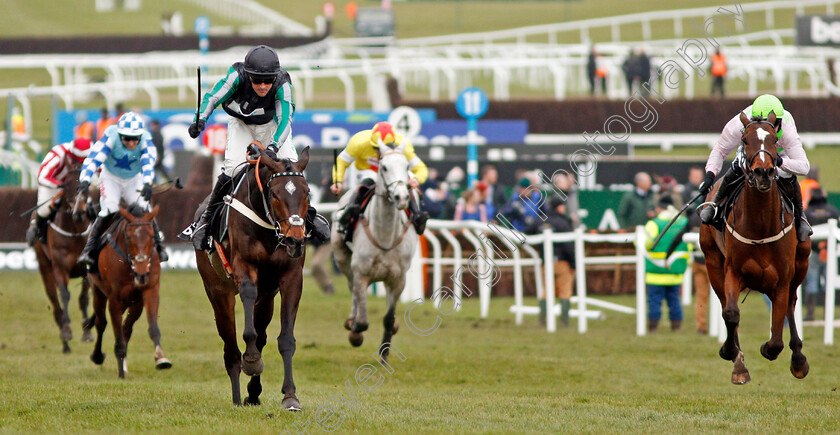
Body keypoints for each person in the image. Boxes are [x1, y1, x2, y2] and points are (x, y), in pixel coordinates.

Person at [182, 45, 330, 250]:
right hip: (241, 125)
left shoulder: (282, 84)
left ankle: (311, 217)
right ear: (248, 75)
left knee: (293, 171)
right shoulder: (236, 76)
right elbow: (213, 97)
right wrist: (200, 119)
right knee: (232, 169)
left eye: (267, 80)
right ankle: (205, 223)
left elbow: (285, 119)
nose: (262, 85)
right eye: (257, 80)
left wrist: (273, 147)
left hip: (273, 127)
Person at [699, 94, 812, 242]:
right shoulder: (738, 125)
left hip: (778, 156)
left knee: (788, 176)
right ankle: (715, 205)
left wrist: (779, 162)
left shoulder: (787, 125)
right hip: (752, 154)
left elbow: (804, 167)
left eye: (773, 123)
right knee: (737, 166)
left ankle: (801, 218)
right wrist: (710, 175)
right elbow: (720, 150)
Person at [76, 112, 168, 265]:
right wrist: (85, 179)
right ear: (120, 135)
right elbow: (94, 158)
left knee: (145, 208)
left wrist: (147, 183)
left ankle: (160, 247)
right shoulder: (111, 136)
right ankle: (89, 250)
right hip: (110, 178)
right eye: (127, 138)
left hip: (134, 179)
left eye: (135, 139)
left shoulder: (146, 139)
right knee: (109, 209)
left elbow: (148, 162)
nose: (132, 143)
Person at [330, 121, 429, 242]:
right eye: (376, 148)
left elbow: (421, 168)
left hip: (392, 175)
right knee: (369, 180)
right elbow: (341, 161)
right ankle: (349, 212)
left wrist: (416, 179)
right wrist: (338, 180)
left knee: (403, 183)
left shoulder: (403, 144)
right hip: (368, 172)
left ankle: (417, 215)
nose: (380, 152)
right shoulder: (359, 141)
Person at [25, 138, 92, 246]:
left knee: (89, 205)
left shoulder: (93, 154)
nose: (80, 164)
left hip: (76, 185)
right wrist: (60, 185)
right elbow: (42, 177)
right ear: (72, 154)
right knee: (44, 210)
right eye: (77, 160)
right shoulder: (58, 154)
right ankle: (36, 228)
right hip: (53, 183)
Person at [643, 195, 689, 332]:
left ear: (659, 208)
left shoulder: (654, 223)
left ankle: (653, 327)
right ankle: (676, 327)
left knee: (654, 302)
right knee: (674, 301)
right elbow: (690, 245)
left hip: (655, 272)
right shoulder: (684, 222)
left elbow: (645, 243)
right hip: (676, 271)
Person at [538, 197, 575, 327]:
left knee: (547, 291)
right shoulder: (563, 222)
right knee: (565, 291)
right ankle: (564, 322)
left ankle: (543, 321)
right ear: (559, 207)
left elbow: (527, 233)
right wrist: (573, 263)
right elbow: (568, 246)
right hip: (562, 263)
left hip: (545, 263)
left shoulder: (541, 221)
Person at [803, 187, 839, 320]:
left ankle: (810, 313)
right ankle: (827, 314)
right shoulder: (833, 211)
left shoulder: (807, 212)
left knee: (812, 282)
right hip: (830, 253)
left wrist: (818, 247)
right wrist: (826, 247)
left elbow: (805, 234)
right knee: (829, 282)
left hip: (815, 253)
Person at [682, 166, 710, 334]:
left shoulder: (691, 216)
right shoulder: (713, 216)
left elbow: (680, 236)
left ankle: (701, 326)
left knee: (701, 296)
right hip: (711, 262)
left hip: (696, 260)